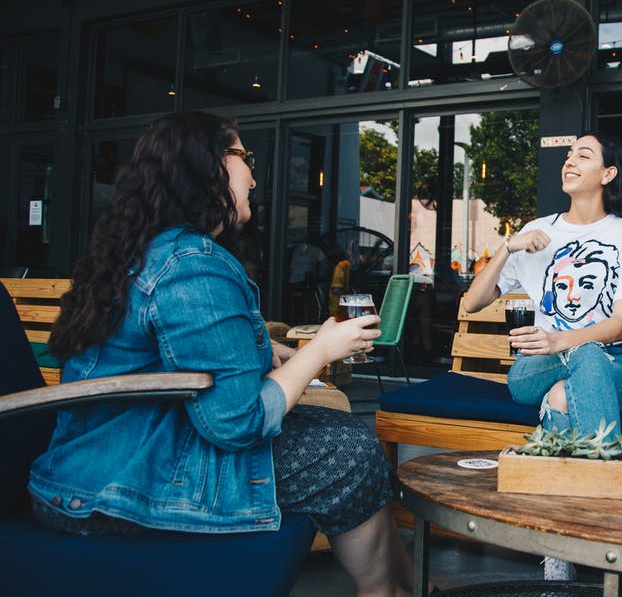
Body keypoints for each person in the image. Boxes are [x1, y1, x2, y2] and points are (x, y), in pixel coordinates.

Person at [33, 112, 413, 597]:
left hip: (95, 465)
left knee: (335, 432)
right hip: (114, 486)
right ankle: (390, 590)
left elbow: (172, 359)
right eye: (245, 158)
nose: (254, 176)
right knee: (346, 451)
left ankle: (399, 586)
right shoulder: (194, 266)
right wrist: (320, 350)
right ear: (209, 167)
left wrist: (263, 348)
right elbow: (237, 423)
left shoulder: (149, 250)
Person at [460, 132, 622, 585]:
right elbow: (471, 303)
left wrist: (564, 340)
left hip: (610, 365)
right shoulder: (536, 232)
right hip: (533, 370)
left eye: (583, 155)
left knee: (567, 395)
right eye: (568, 155)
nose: (570, 161)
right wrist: (508, 245)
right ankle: (617, 528)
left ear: (607, 174)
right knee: (574, 360)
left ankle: (558, 548)